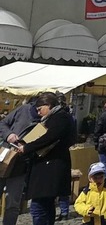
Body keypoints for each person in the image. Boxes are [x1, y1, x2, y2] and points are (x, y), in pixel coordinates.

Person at [16, 92, 75, 225]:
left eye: (40, 109)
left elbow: (48, 138)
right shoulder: (55, 117)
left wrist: (27, 148)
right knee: (46, 206)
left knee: (38, 208)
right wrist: (24, 143)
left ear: (48, 105)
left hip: (51, 168)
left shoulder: (60, 118)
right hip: (48, 167)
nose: (38, 113)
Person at [0, 96, 41, 225]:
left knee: (13, 203)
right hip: (5, 158)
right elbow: (3, 124)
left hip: (21, 165)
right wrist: (8, 135)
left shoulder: (47, 121)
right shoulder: (23, 110)